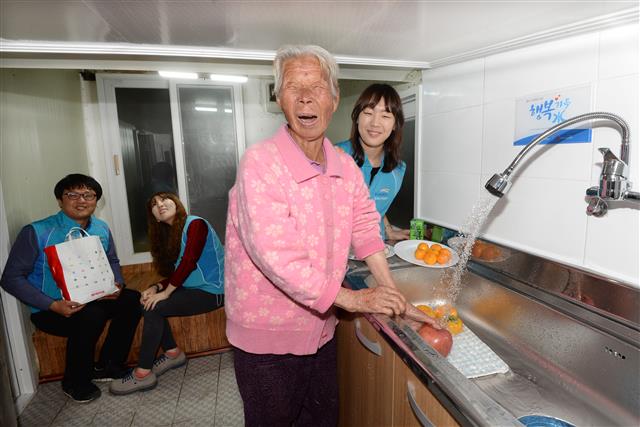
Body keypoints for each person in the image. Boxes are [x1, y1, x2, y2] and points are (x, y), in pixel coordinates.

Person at [224, 45, 435, 426]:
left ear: (334, 98)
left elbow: (366, 228)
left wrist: (392, 296)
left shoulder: (342, 166)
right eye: (292, 86)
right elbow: (277, 256)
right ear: (278, 98)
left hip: (319, 329)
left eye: (317, 86)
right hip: (267, 338)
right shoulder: (261, 163)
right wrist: (355, 299)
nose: (306, 96)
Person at [0, 174, 141, 403]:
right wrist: (53, 305)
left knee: (132, 299)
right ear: (59, 200)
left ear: (96, 200)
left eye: (88, 195)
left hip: (94, 297)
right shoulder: (36, 232)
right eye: (72, 195)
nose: (81, 200)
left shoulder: (101, 228)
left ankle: (108, 364)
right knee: (91, 315)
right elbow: (11, 278)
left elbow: (112, 259)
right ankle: (75, 381)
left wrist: (116, 283)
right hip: (51, 310)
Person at [109, 192, 224, 395]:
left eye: (164, 199)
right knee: (147, 301)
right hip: (194, 288)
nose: (160, 204)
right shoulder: (173, 234)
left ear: (176, 203)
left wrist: (165, 293)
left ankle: (143, 373)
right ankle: (172, 352)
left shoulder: (196, 224)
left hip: (214, 290)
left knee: (156, 306)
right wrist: (156, 288)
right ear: (155, 217)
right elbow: (178, 271)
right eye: (154, 204)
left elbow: (189, 263)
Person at [336, 83, 410, 241]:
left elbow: (375, 203)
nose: (375, 123)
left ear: (395, 124)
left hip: (377, 249)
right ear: (356, 118)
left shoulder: (398, 169)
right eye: (368, 112)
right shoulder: (335, 157)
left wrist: (389, 231)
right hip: (337, 251)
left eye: (385, 116)